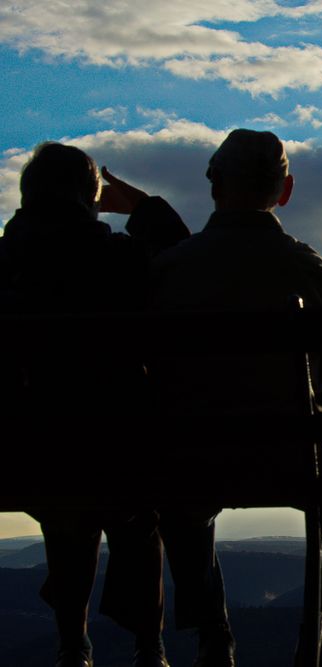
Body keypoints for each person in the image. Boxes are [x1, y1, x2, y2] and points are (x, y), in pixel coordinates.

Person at [150, 129, 322, 667]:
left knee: (176, 488)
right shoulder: (313, 272)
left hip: (190, 459)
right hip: (295, 461)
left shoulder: (166, 272)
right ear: (285, 191)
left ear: (214, 185)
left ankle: (213, 634)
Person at [0, 142, 190, 667]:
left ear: (25, 197)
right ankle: (149, 647)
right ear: (90, 198)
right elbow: (183, 259)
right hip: (123, 451)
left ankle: (72, 647)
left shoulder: (4, 264)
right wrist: (142, 207)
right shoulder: (122, 260)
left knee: (65, 503)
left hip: (26, 454)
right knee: (128, 507)